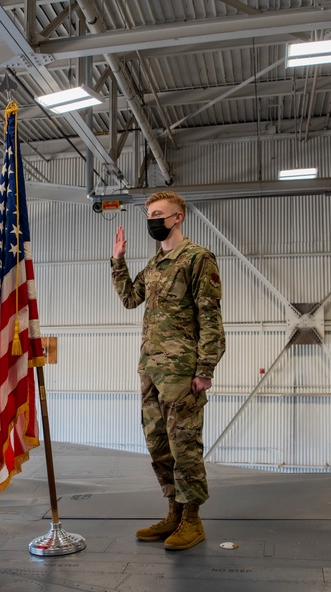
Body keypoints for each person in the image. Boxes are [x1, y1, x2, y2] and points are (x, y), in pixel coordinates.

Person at [110, 191, 226, 550]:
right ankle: (173, 514)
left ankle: (192, 520)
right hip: (151, 370)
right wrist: (118, 261)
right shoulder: (155, 265)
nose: (152, 220)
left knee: (184, 446)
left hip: (182, 372)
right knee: (158, 444)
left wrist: (205, 368)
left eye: (158, 214)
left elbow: (210, 317)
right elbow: (130, 299)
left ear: (178, 218)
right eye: (148, 215)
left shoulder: (197, 259)